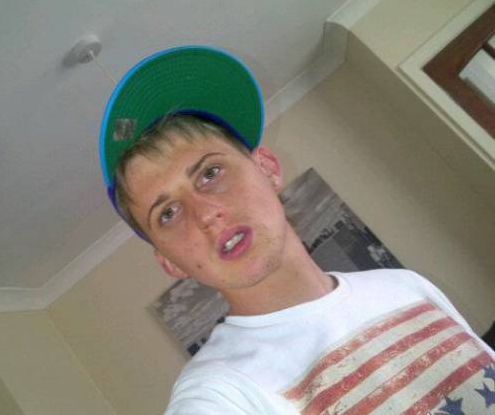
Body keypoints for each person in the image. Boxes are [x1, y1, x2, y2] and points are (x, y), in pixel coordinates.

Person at [99, 46, 495, 415]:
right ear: (170, 263)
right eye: (168, 213)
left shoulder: (406, 286)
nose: (204, 214)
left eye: (210, 172)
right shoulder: (219, 393)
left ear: (268, 168)